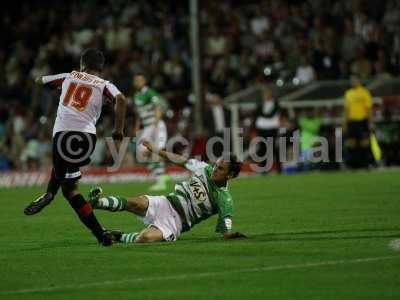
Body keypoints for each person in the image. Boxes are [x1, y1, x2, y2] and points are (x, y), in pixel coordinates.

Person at [23, 48, 127, 246]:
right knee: (68, 179)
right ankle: (101, 233)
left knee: (70, 191)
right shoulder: (104, 84)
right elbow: (121, 99)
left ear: (82, 64)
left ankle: (50, 194)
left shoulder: (68, 76)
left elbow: (39, 80)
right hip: (87, 139)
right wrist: (118, 130)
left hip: (63, 136)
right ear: (100, 68)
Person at [87, 140, 246, 244]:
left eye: (220, 169)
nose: (215, 170)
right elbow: (179, 160)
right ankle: (97, 203)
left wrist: (231, 235)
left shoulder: (225, 200)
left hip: (176, 223)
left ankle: (118, 237)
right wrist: (156, 150)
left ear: (230, 175)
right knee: (134, 202)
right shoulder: (204, 168)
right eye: (216, 165)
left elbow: (226, 231)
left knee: (146, 238)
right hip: (166, 202)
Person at [131, 73, 171, 191]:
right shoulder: (137, 95)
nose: (137, 82)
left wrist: (155, 124)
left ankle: (160, 181)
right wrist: (136, 127)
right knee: (142, 152)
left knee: (156, 151)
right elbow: (139, 114)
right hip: (147, 127)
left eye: (139, 80)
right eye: (135, 80)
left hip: (156, 125)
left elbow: (158, 107)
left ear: (144, 81)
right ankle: (161, 175)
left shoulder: (150, 93)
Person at [343, 75, 374, 169]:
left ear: (359, 81)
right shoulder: (348, 93)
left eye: (355, 80)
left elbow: (368, 108)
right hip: (352, 121)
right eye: (352, 81)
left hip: (362, 120)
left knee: (364, 143)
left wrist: (370, 122)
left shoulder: (365, 92)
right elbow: (347, 110)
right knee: (351, 143)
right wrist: (345, 122)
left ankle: (367, 164)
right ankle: (352, 165)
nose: (353, 82)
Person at [254, 88, 281, 173]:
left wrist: (263, 116)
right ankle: (264, 169)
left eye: (268, 93)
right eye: (265, 94)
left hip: (272, 128)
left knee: (273, 149)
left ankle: (279, 169)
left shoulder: (276, 104)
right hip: (262, 128)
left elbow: (270, 114)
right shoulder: (260, 104)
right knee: (262, 149)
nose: (266, 96)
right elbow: (257, 113)